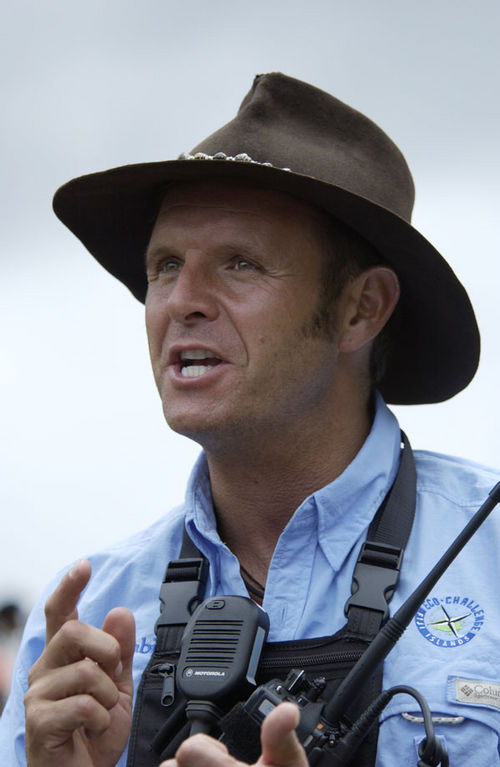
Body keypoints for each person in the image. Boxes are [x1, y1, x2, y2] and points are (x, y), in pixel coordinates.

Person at [1, 72, 499, 767]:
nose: (183, 301)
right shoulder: (85, 622)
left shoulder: (490, 551)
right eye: (166, 264)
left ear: (362, 309)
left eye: (239, 263)